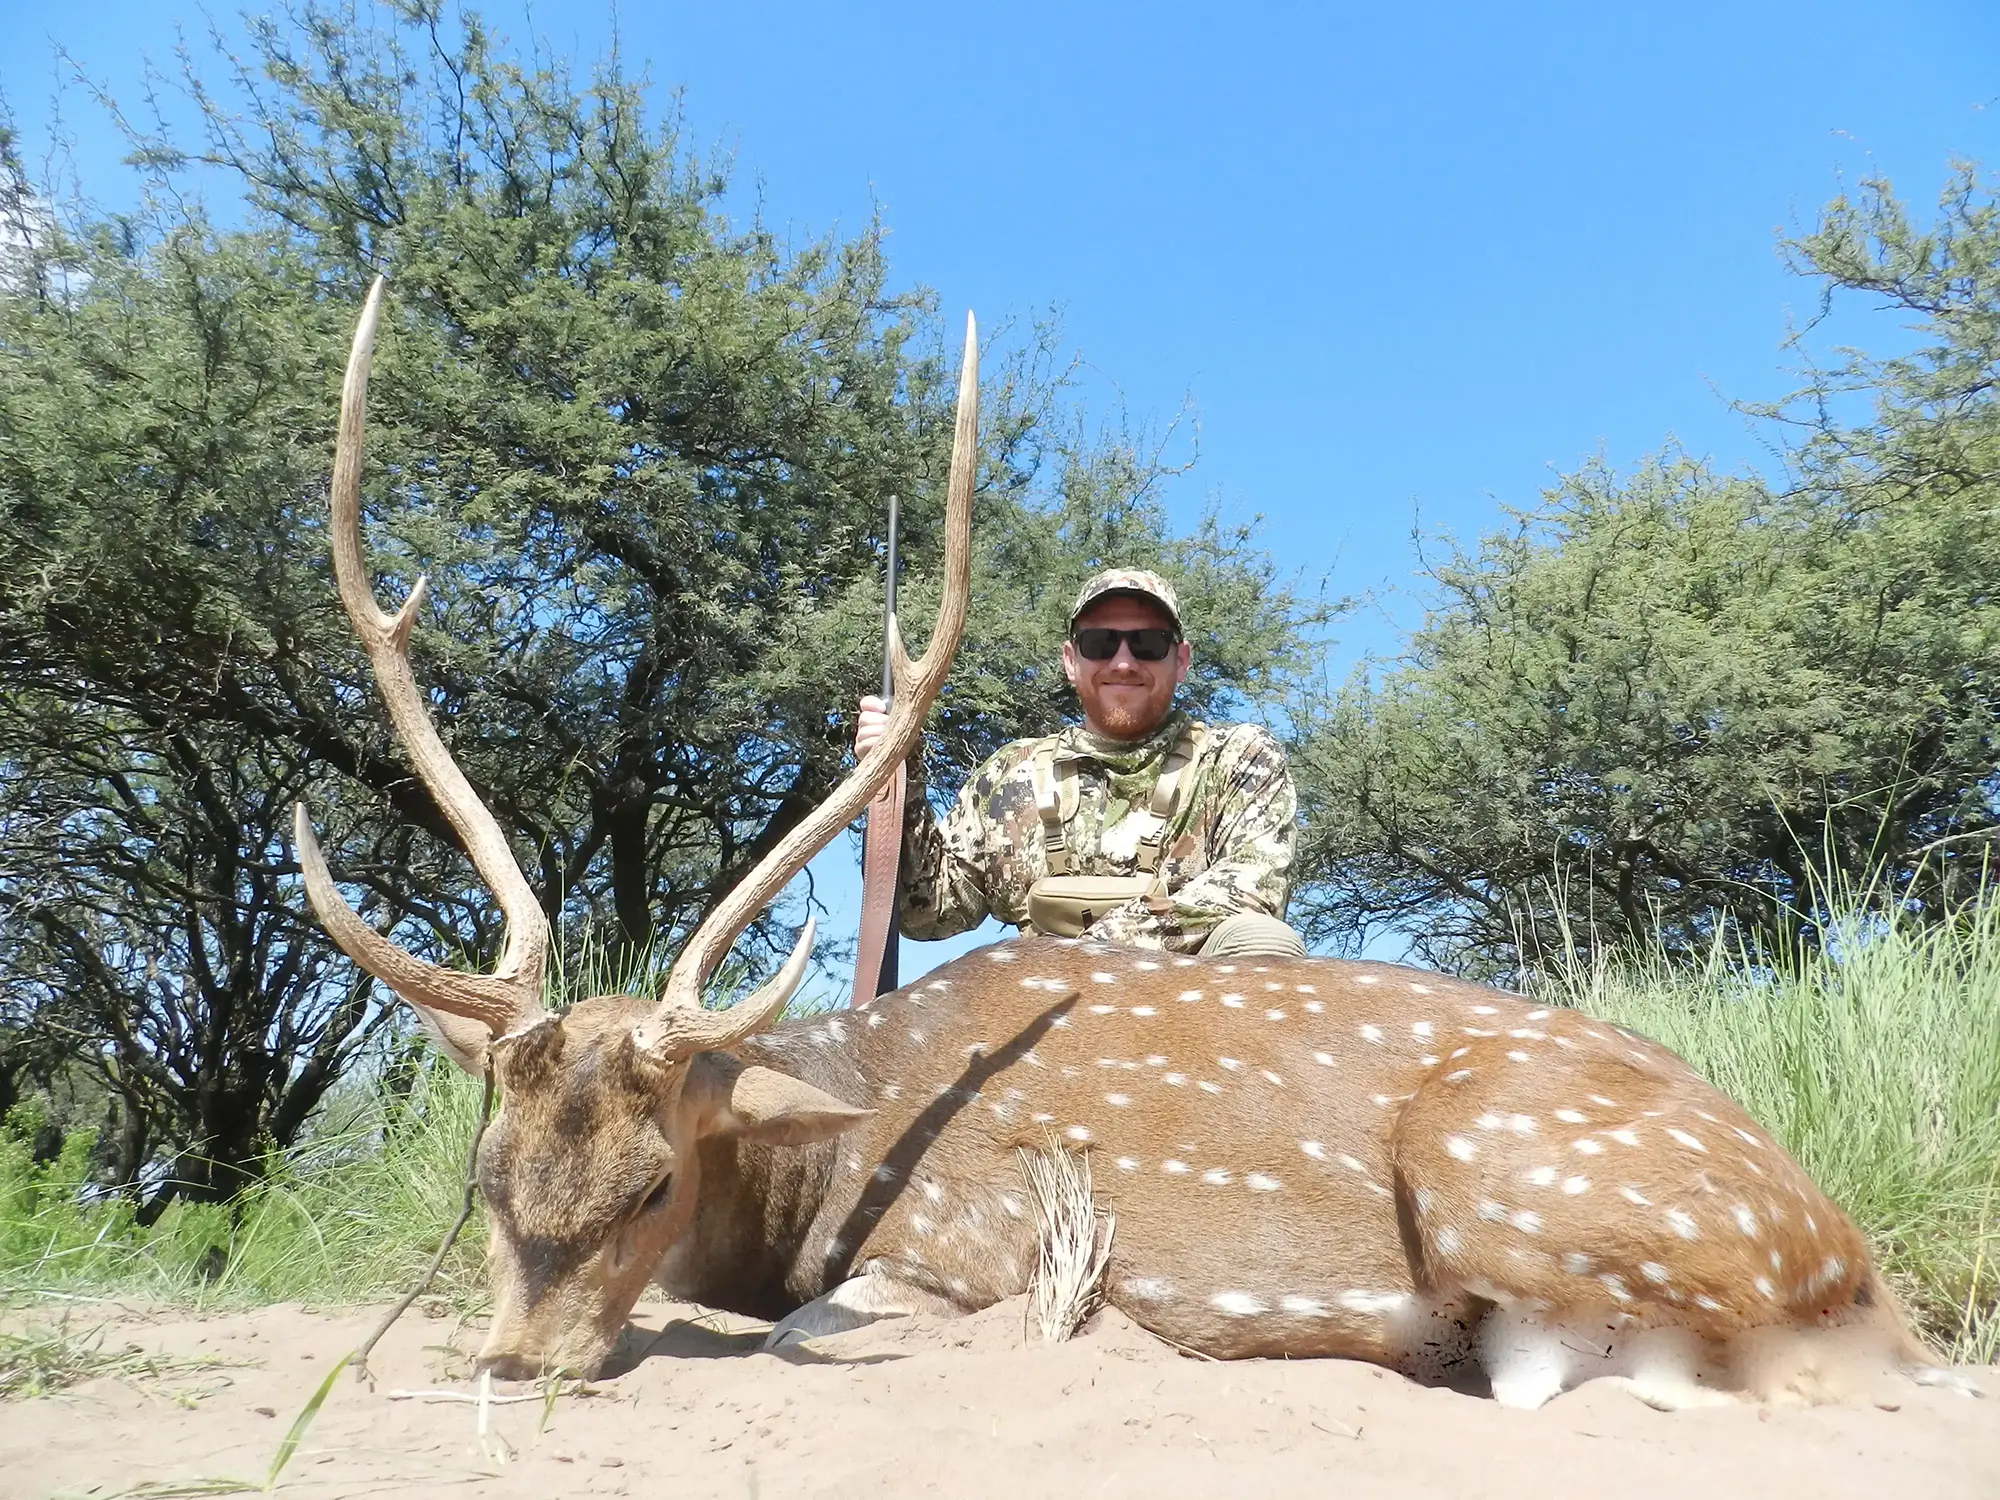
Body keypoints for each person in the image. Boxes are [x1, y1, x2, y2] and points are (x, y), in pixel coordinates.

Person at [853, 567, 1306, 957]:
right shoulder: (1011, 774)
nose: (1123, 662)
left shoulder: (1237, 758)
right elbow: (927, 911)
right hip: (1042, 1017)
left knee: (1264, 941)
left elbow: (1254, 890)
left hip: (1187, 1018)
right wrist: (900, 775)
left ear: (1181, 660)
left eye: (1148, 643)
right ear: (1071, 661)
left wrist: (1092, 954)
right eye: (1100, 643)